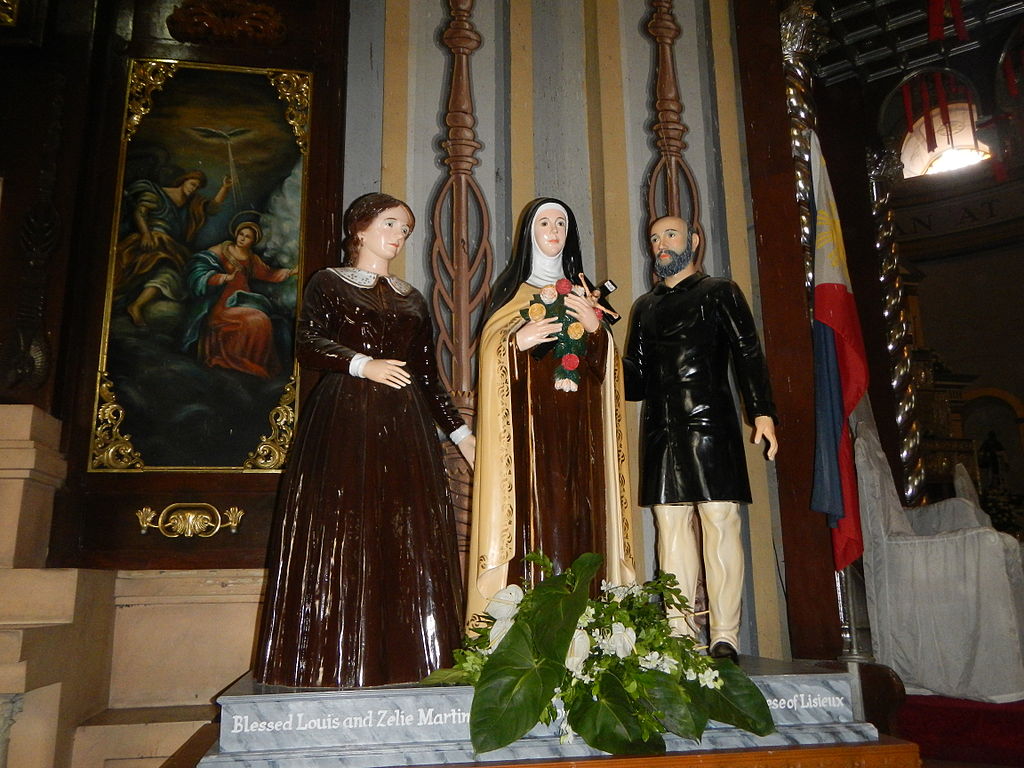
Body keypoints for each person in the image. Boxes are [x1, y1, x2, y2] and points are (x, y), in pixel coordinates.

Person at [254, 193, 475, 688]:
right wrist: (361, 364)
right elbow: (307, 342)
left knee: (405, 532)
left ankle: (412, 657)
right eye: (391, 224)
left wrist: (462, 434)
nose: (399, 236)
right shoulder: (329, 283)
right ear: (360, 227)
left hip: (405, 428)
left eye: (405, 229)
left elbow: (427, 375)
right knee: (344, 527)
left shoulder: (411, 297)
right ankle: (331, 657)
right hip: (345, 421)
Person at [466, 197, 635, 623]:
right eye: (545, 222)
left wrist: (596, 331)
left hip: (582, 432)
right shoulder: (512, 295)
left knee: (583, 514)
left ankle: (588, 618)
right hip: (529, 436)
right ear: (529, 233)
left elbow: (610, 371)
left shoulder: (583, 294)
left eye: (562, 222)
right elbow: (490, 352)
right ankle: (529, 618)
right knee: (537, 515)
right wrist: (515, 343)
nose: (554, 230)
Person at [622, 215, 778, 662]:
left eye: (670, 235)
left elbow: (748, 353)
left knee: (720, 519)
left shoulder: (720, 292)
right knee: (669, 525)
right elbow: (634, 382)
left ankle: (725, 633)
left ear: (693, 241)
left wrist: (762, 411)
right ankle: (679, 632)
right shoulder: (644, 307)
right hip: (661, 426)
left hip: (711, 420)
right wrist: (597, 339)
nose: (661, 244)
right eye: (654, 238)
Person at [115, 170, 233, 325]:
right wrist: (146, 234)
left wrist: (225, 188)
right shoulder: (159, 193)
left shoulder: (192, 202)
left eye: (197, 187)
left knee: (170, 273)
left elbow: (212, 208)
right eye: (192, 184)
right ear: (184, 181)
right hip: (152, 240)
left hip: (171, 247)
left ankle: (136, 306)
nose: (193, 189)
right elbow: (140, 212)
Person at [181, 222, 297, 378]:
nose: (242, 238)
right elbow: (201, 268)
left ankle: (251, 361)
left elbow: (269, 274)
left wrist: (291, 272)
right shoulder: (221, 250)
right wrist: (225, 277)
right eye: (241, 234)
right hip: (222, 303)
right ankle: (233, 360)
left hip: (242, 300)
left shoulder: (252, 259)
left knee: (261, 319)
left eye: (247, 237)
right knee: (257, 320)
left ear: (253, 241)